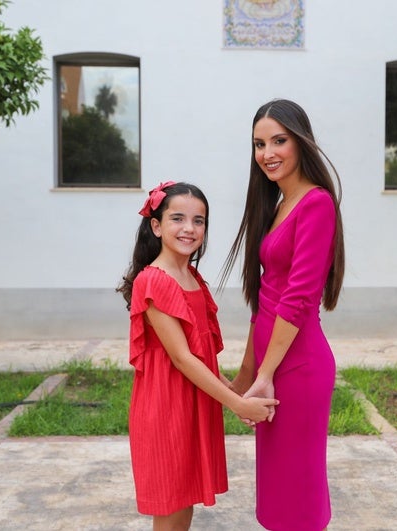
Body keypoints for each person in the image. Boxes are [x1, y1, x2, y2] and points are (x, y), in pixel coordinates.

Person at [118, 181, 279, 531]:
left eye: (199, 221)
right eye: (177, 218)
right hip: (165, 407)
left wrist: (236, 392)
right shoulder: (154, 280)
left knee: (185, 505)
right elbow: (182, 359)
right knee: (170, 507)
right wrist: (236, 405)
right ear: (156, 226)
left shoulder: (192, 277)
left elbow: (201, 360)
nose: (189, 229)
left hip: (194, 404)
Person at [220, 99, 345, 530]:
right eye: (259, 144)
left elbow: (297, 300)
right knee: (276, 494)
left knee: (299, 491)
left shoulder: (316, 204)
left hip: (299, 367)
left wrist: (266, 375)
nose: (267, 153)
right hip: (272, 369)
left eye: (279, 140)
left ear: (301, 142)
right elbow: (266, 302)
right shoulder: (276, 207)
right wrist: (245, 377)